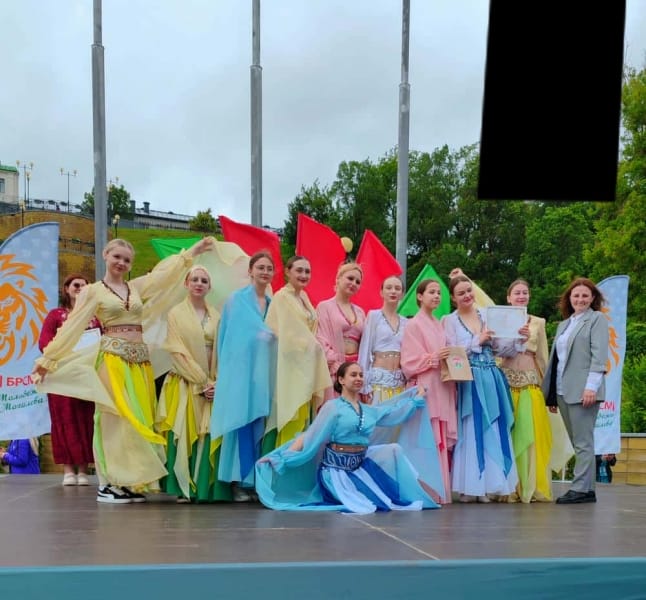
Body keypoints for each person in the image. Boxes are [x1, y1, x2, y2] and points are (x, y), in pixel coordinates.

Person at [33, 236, 216, 504]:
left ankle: (128, 481)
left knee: (137, 422)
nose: (121, 262)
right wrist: (48, 359)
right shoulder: (93, 291)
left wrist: (194, 251)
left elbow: (164, 276)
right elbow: (73, 326)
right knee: (113, 421)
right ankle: (107, 484)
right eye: (117, 256)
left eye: (127, 260)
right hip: (112, 361)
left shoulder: (135, 287)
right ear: (105, 255)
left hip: (139, 364)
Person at [255, 361, 443, 513]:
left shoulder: (369, 411)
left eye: (361, 375)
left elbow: (395, 413)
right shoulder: (333, 407)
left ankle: (419, 490)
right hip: (336, 473)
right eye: (353, 375)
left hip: (359, 466)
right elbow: (310, 436)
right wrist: (279, 457)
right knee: (363, 506)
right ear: (341, 380)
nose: (359, 378)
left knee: (394, 449)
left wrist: (416, 398)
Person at [156, 266, 229, 503]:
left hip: (212, 384)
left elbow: (223, 350)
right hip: (185, 381)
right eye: (194, 279)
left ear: (209, 287)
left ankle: (205, 487)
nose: (199, 283)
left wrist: (217, 382)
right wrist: (201, 381)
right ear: (186, 284)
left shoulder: (217, 316)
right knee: (185, 432)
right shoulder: (175, 314)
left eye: (204, 281)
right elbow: (176, 350)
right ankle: (184, 487)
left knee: (207, 432)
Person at [442, 275, 518, 502]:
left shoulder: (486, 315)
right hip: (469, 379)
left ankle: (488, 486)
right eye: (461, 293)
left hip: (491, 377)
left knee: (493, 426)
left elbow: (501, 348)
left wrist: (518, 338)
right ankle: (469, 486)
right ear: (453, 298)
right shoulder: (450, 320)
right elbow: (452, 351)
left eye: (469, 290)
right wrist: (477, 340)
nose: (467, 296)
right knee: (471, 427)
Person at [210, 251, 277, 502]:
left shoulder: (272, 304)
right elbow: (229, 338)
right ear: (250, 271)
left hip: (263, 374)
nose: (265, 272)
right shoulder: (237, 300)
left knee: (259, 423)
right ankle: (238, 480)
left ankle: (253, 481)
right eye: (260, 267)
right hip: (241, 372)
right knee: (240, 422)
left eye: (269, 268)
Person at [543, 277, 609, 505]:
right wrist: (552, 394)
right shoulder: (564, 324)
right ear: (569, 298)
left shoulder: (597, 319)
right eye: (576, 295)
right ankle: (588, 489)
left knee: (583, 442)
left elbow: (599, 356)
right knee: (578, 442)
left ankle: (580, 488)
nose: (580, 299)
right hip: (563, 391)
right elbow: (557, 362)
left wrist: (591, 387)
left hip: (584, 392)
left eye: (585, 295)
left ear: (592, 298)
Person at [262, 256, 331, 452]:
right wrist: (309, 346)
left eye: (307, 271)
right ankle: (282, 459)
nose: (303, 275)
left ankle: (300, 461)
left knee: (304, 414)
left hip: (307, 365)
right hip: (290, 366)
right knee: (290, 411)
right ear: (287, 271)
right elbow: (279, 332)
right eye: (299, 270)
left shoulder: (304, 298)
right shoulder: (281, 297)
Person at [38, 273, 101, 486]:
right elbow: (45, 343)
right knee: (64, 421)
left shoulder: (95, 318)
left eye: (84, 286)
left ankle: (83, 469)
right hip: (61, 376)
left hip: (85, 376)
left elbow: (101, 342)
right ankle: (67, 469)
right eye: (76, 285)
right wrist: (67, 356)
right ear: (66, 288)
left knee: (86, 420)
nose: (80, 288)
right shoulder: (55, 315)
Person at [496, 279, 555, 503]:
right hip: (506, 382)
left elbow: (542, 356)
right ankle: (508, 487)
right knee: (508, 434)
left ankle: (530, 485)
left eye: (524, 293)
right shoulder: (500, 320)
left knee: (530, 435)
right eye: (517, 293)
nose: (521, 296)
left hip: (530, 383)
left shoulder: (538, 322)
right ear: (508, 297)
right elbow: (496, 352)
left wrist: (548, 389)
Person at [401, 278, 457, 504]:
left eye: (439, 293)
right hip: (426, 384)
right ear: (419, 296)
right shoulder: (413, 324)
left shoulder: (438, 323)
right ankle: (426, 489)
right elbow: (409, 362)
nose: (436, 296)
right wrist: (434, 357)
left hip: (441, 384)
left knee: (439, 438)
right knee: (426, 436)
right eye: (431, 292)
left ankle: (439, 489)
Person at [316, 262, 366, 401]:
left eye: (357, 282)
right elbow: (321, 339)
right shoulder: (324, 307)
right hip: (334, 369)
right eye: (350, 278)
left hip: (355, 369)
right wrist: (338, 368)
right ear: (338, 278)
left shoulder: (360, 312)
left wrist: (356, 371)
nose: (353, 283)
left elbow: (365, 343)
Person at [358, 275, 408, 404]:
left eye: (397, 288)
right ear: (381, 292)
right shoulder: (374, 316)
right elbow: (365, 349)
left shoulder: (406, 322)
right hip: (378, 379)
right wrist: (364, 384)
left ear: (402, 294)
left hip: (399, 381)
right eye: (389, 288)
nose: (393, 291)